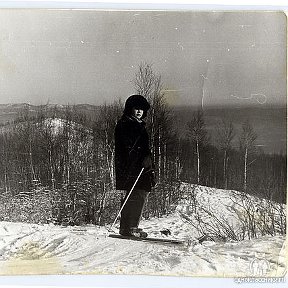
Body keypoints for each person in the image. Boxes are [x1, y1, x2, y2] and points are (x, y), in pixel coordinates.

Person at [114, 94, 156, 237]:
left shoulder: (136, 124)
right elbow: (128, 146)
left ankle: (127, 227)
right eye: (136, 108)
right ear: (130, 109)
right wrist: (142, 159)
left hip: (139, 166)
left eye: (142, 109)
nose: (139, 111)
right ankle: (130, 227)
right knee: (137, 194)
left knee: (135, 194)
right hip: (132, 166)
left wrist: (149, 163)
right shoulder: (126, 124)